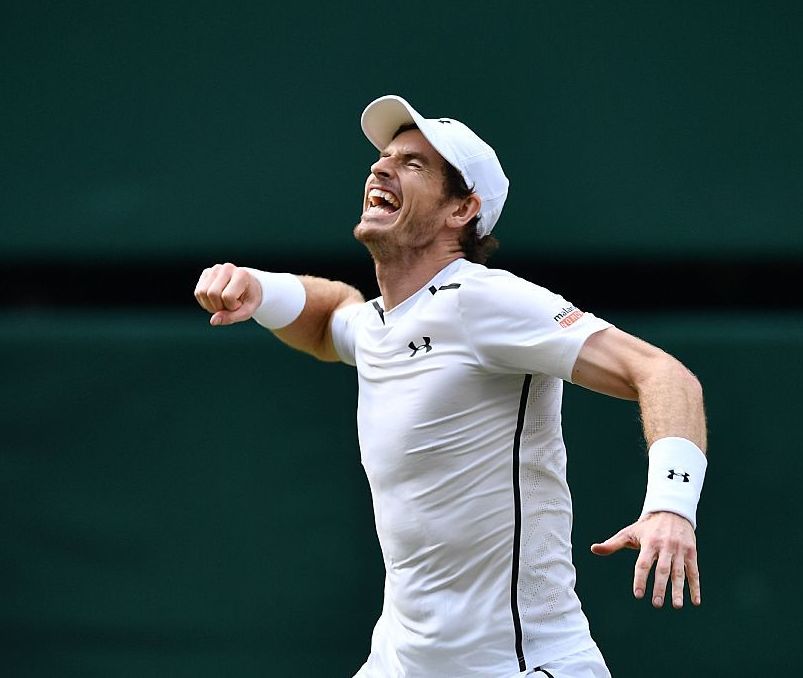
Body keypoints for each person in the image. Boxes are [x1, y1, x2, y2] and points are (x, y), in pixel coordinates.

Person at [194, 95, 708, 677]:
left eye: (412, 164)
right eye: (384, 157)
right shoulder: (381, 325)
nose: (380, 167)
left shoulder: (481, 299)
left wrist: (671, 507)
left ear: (462, 209)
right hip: (400, 662)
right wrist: (257, 288)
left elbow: (663, 374)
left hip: (520, 666)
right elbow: (330, 317)